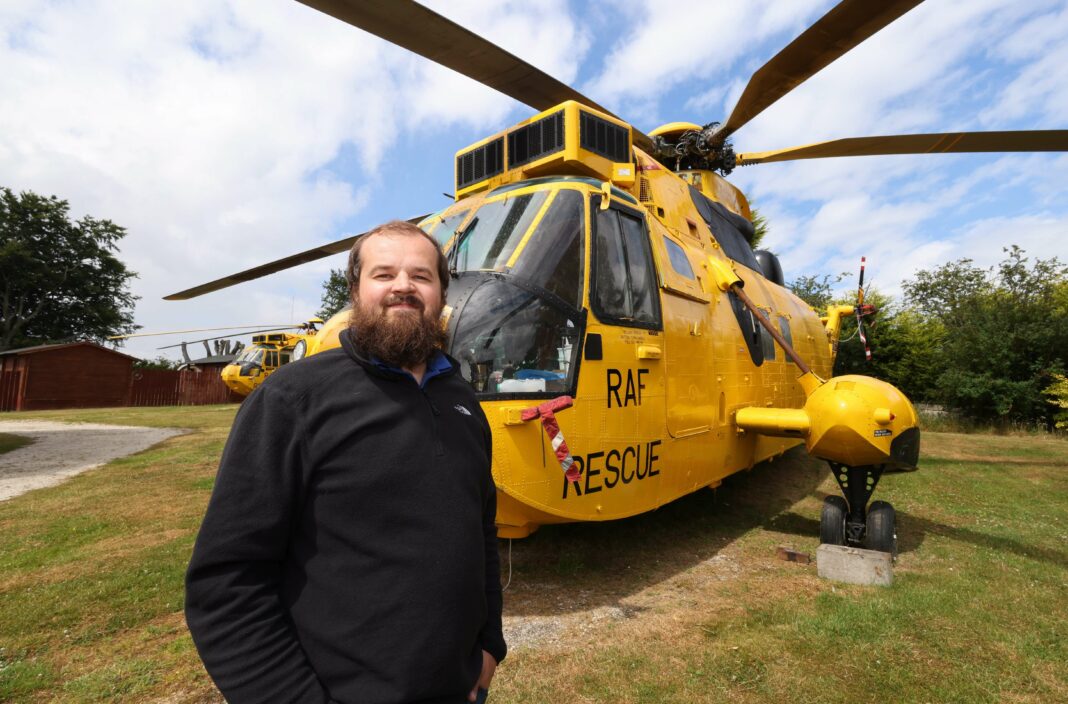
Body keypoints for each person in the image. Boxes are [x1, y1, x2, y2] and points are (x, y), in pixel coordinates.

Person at [185, 220, 505, 703]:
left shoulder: (461, 400)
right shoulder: (292, 399)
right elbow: (227, 582)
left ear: (441, 292)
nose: (403, 287)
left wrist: (489, 649)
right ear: (354, 289)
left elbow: (481, 534)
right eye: (384, 274)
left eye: (421, 276)